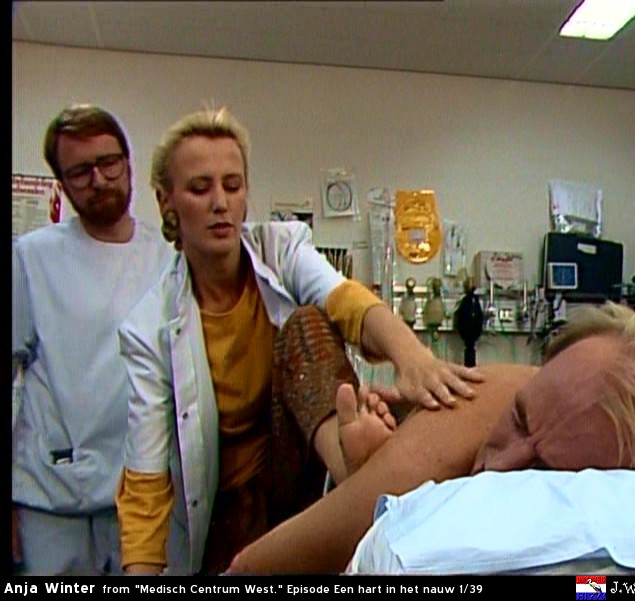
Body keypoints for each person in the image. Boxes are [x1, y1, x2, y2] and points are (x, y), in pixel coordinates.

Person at [114, 106, 484, 575]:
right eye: (200, 188)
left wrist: (412, 357)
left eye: (233, 185)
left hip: (297, 474)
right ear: (167, 202)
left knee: (308, 322)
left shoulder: (281, 247)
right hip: (223, 513)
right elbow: (145, 479)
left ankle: (354, 469)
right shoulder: (149, 326)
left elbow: (344, 299)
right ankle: (358, 473)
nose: (220, 203)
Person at [225, 301, 635, 574]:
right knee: (306, 325)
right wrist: (372, 472)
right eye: (518, 418)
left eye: (543, 471)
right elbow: (248, 570)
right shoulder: (489, 405)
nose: (500, 465)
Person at [11, 104, 174, 575]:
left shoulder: (168, 260)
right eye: (80, 172)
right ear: (61, 184)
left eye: (108, 163)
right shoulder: (31, 258)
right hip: (51, 499)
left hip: (143, 494)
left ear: (129, 164)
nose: (98, 180)